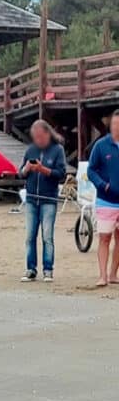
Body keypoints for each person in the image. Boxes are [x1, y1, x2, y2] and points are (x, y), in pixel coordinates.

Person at [19, 120, 67, 283]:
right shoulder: (31, 149)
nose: (38, 140)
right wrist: (26, 169)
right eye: (35, 137)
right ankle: (31, 268)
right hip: (32, 198)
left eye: (40, 136)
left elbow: (61, 173)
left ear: (47, 134)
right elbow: (21, 173)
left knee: (47, 236)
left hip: (48, 198)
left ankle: (48, 269)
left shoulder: (57, 150)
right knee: (30, 236)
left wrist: (42, 169)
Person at [88, 109, 119, 286]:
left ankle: (113, 273)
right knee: (104, 238)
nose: (116, 128)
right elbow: (91, 170)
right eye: (114, 124)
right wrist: (102, 185)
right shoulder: (101, 145)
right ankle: (102, 275)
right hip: (106, 200)